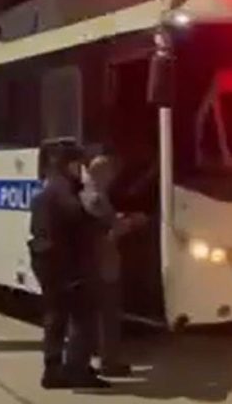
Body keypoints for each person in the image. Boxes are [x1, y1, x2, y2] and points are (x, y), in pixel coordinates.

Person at [29, 142, 108, 389]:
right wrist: (91, 189)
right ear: (69, 164)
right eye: (78, 164)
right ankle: (77, 370)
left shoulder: (48, 189)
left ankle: (52, 370)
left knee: (55, 318)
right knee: (83, 319)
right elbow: (85, 218)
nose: (81, 168)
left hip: (47, 260)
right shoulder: (66, 190)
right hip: (68, 264)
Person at [80, 155, 145, 378]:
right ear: (101, 173)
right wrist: (133, 222)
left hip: (92, 263)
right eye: (110, 173)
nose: (113, 178)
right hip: (104, 263)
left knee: (94, 315)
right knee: (107, 316)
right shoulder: (97, 198)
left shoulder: (85, 193)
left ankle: (95, 358)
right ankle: (109, 362)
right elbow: (109, 232)